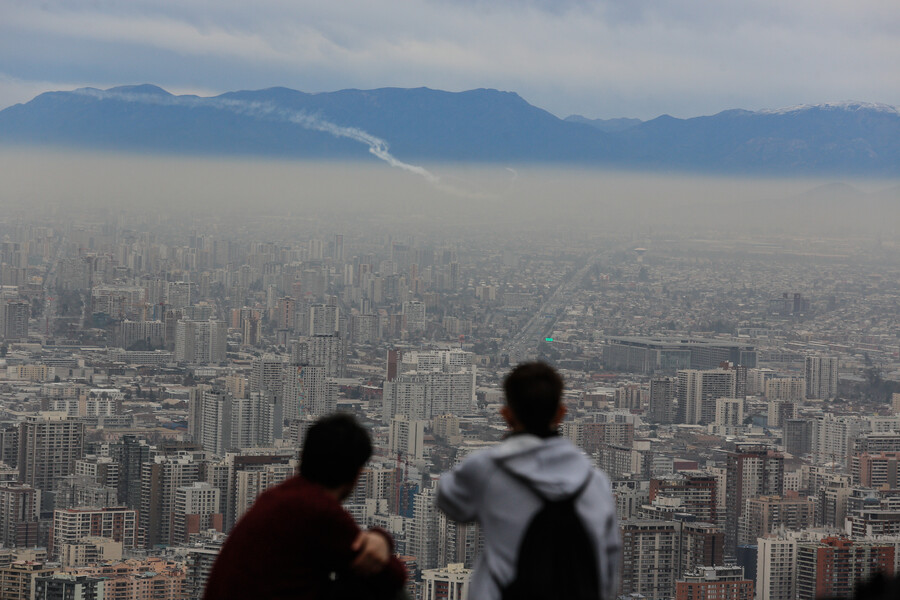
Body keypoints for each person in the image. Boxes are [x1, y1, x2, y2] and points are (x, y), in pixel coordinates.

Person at [437, 362, 621, 600]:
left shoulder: (487, 470)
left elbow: (449, 500)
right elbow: (609, 565)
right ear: (561, 413)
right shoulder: (596, 483)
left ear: (506, 414)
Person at [204, 413, 407, 600]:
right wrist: (382, 538)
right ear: (356, 475)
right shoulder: (317, 511)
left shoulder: (278, 495)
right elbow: (394, 575)